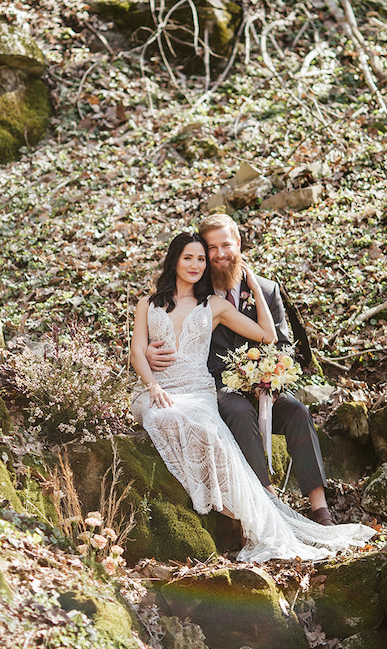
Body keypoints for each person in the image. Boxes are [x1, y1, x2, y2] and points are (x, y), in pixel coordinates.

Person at [130, 231, 373, 561]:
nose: (198, 263)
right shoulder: (147, 303)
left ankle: (303, 510)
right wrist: (152, 382)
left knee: (274, 417)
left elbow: (269, 336)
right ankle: (239, 499)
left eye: (202, 258)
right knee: (167, 415)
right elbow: (136, 352)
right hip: (177, 388)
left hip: (215, 388)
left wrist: (255, 286)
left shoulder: (213, 304)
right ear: (174, 259)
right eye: (190, 257)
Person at [147, 213, 337, 525]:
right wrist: (152, 351)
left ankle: (320, 507)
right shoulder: (196, 293)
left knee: (299, 413)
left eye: (226, 245)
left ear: (238, 244)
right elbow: (173, 329)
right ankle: (265, 497)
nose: (220, 254)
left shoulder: (267, 289)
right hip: (216, 386)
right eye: (211, 248)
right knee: (238, 410)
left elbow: (284, 345)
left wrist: (270, 376)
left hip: (264, 386)